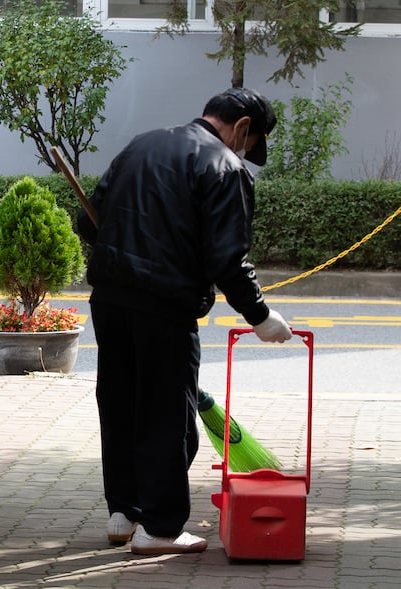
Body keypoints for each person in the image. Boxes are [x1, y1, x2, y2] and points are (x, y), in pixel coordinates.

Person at [76, 87, 293, 555]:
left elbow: (86, 222)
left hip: (110, 298)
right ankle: (161, 529)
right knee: (167, 415)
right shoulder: (224, 167)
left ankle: (124, 512)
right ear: (241, 129)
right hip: (165, 306)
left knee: (120, 402)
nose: (245, 152)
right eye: (250, 143)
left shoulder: (141, 144)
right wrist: (260, 315)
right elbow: (228, 258)